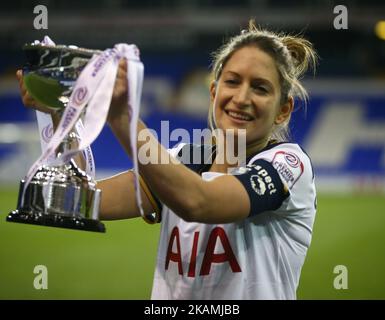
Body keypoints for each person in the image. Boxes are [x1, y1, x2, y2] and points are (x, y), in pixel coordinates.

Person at [17, 20, 318, 300]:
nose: (241, 97)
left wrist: (122, 117)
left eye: (260, 88)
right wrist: (57, 109)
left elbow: (199, 202)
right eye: (233, 82)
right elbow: (85, 202)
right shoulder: (186, 158)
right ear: (213, 92)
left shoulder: (287, 165)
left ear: (283, 110)